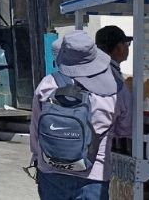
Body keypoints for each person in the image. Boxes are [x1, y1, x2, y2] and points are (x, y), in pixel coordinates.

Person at [30, 31, 131, 199]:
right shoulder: (116, 89)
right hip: (93, 175)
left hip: (50, 170)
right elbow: (125, 130)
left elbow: (35, 129)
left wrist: (36, 158)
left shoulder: (47, 84)